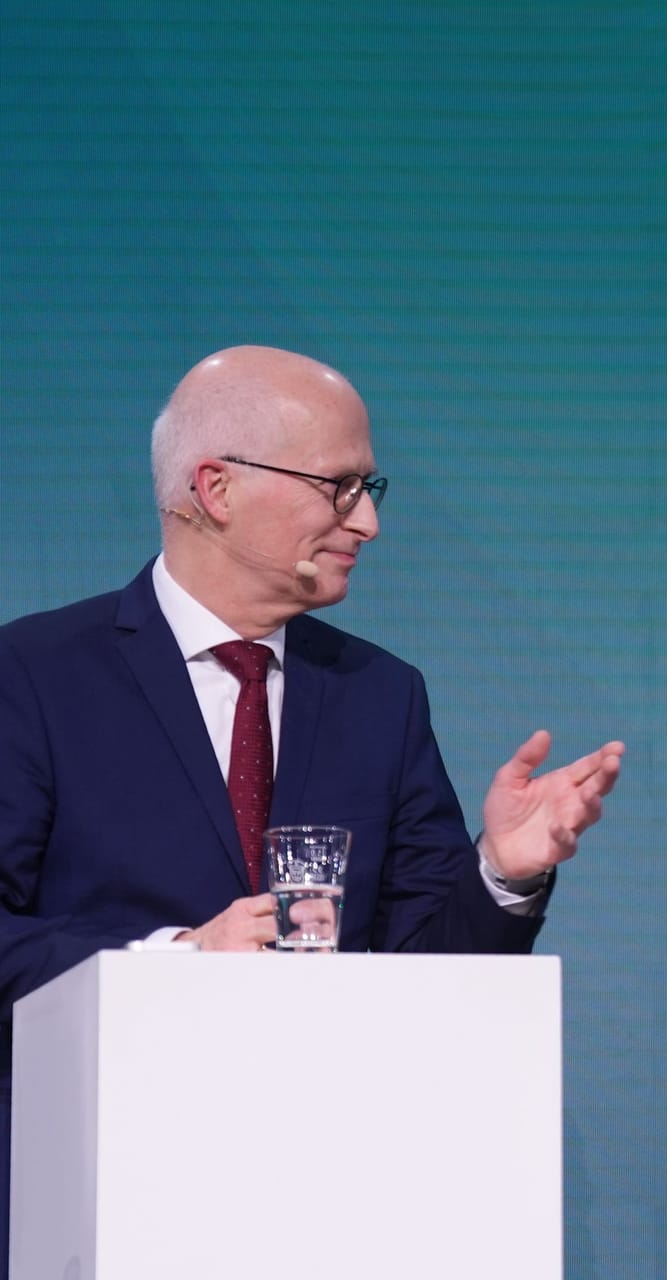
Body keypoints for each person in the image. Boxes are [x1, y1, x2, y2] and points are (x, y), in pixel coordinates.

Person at [0, 346, 625, 1248]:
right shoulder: (34, 674)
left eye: (372, 488)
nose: (366, 521)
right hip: (93, 1196)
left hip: (333, 1199)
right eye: (339, 487)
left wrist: (500, 874)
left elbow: (426, 970)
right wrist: (172, 960)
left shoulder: (381, 695)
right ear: (216, 489)